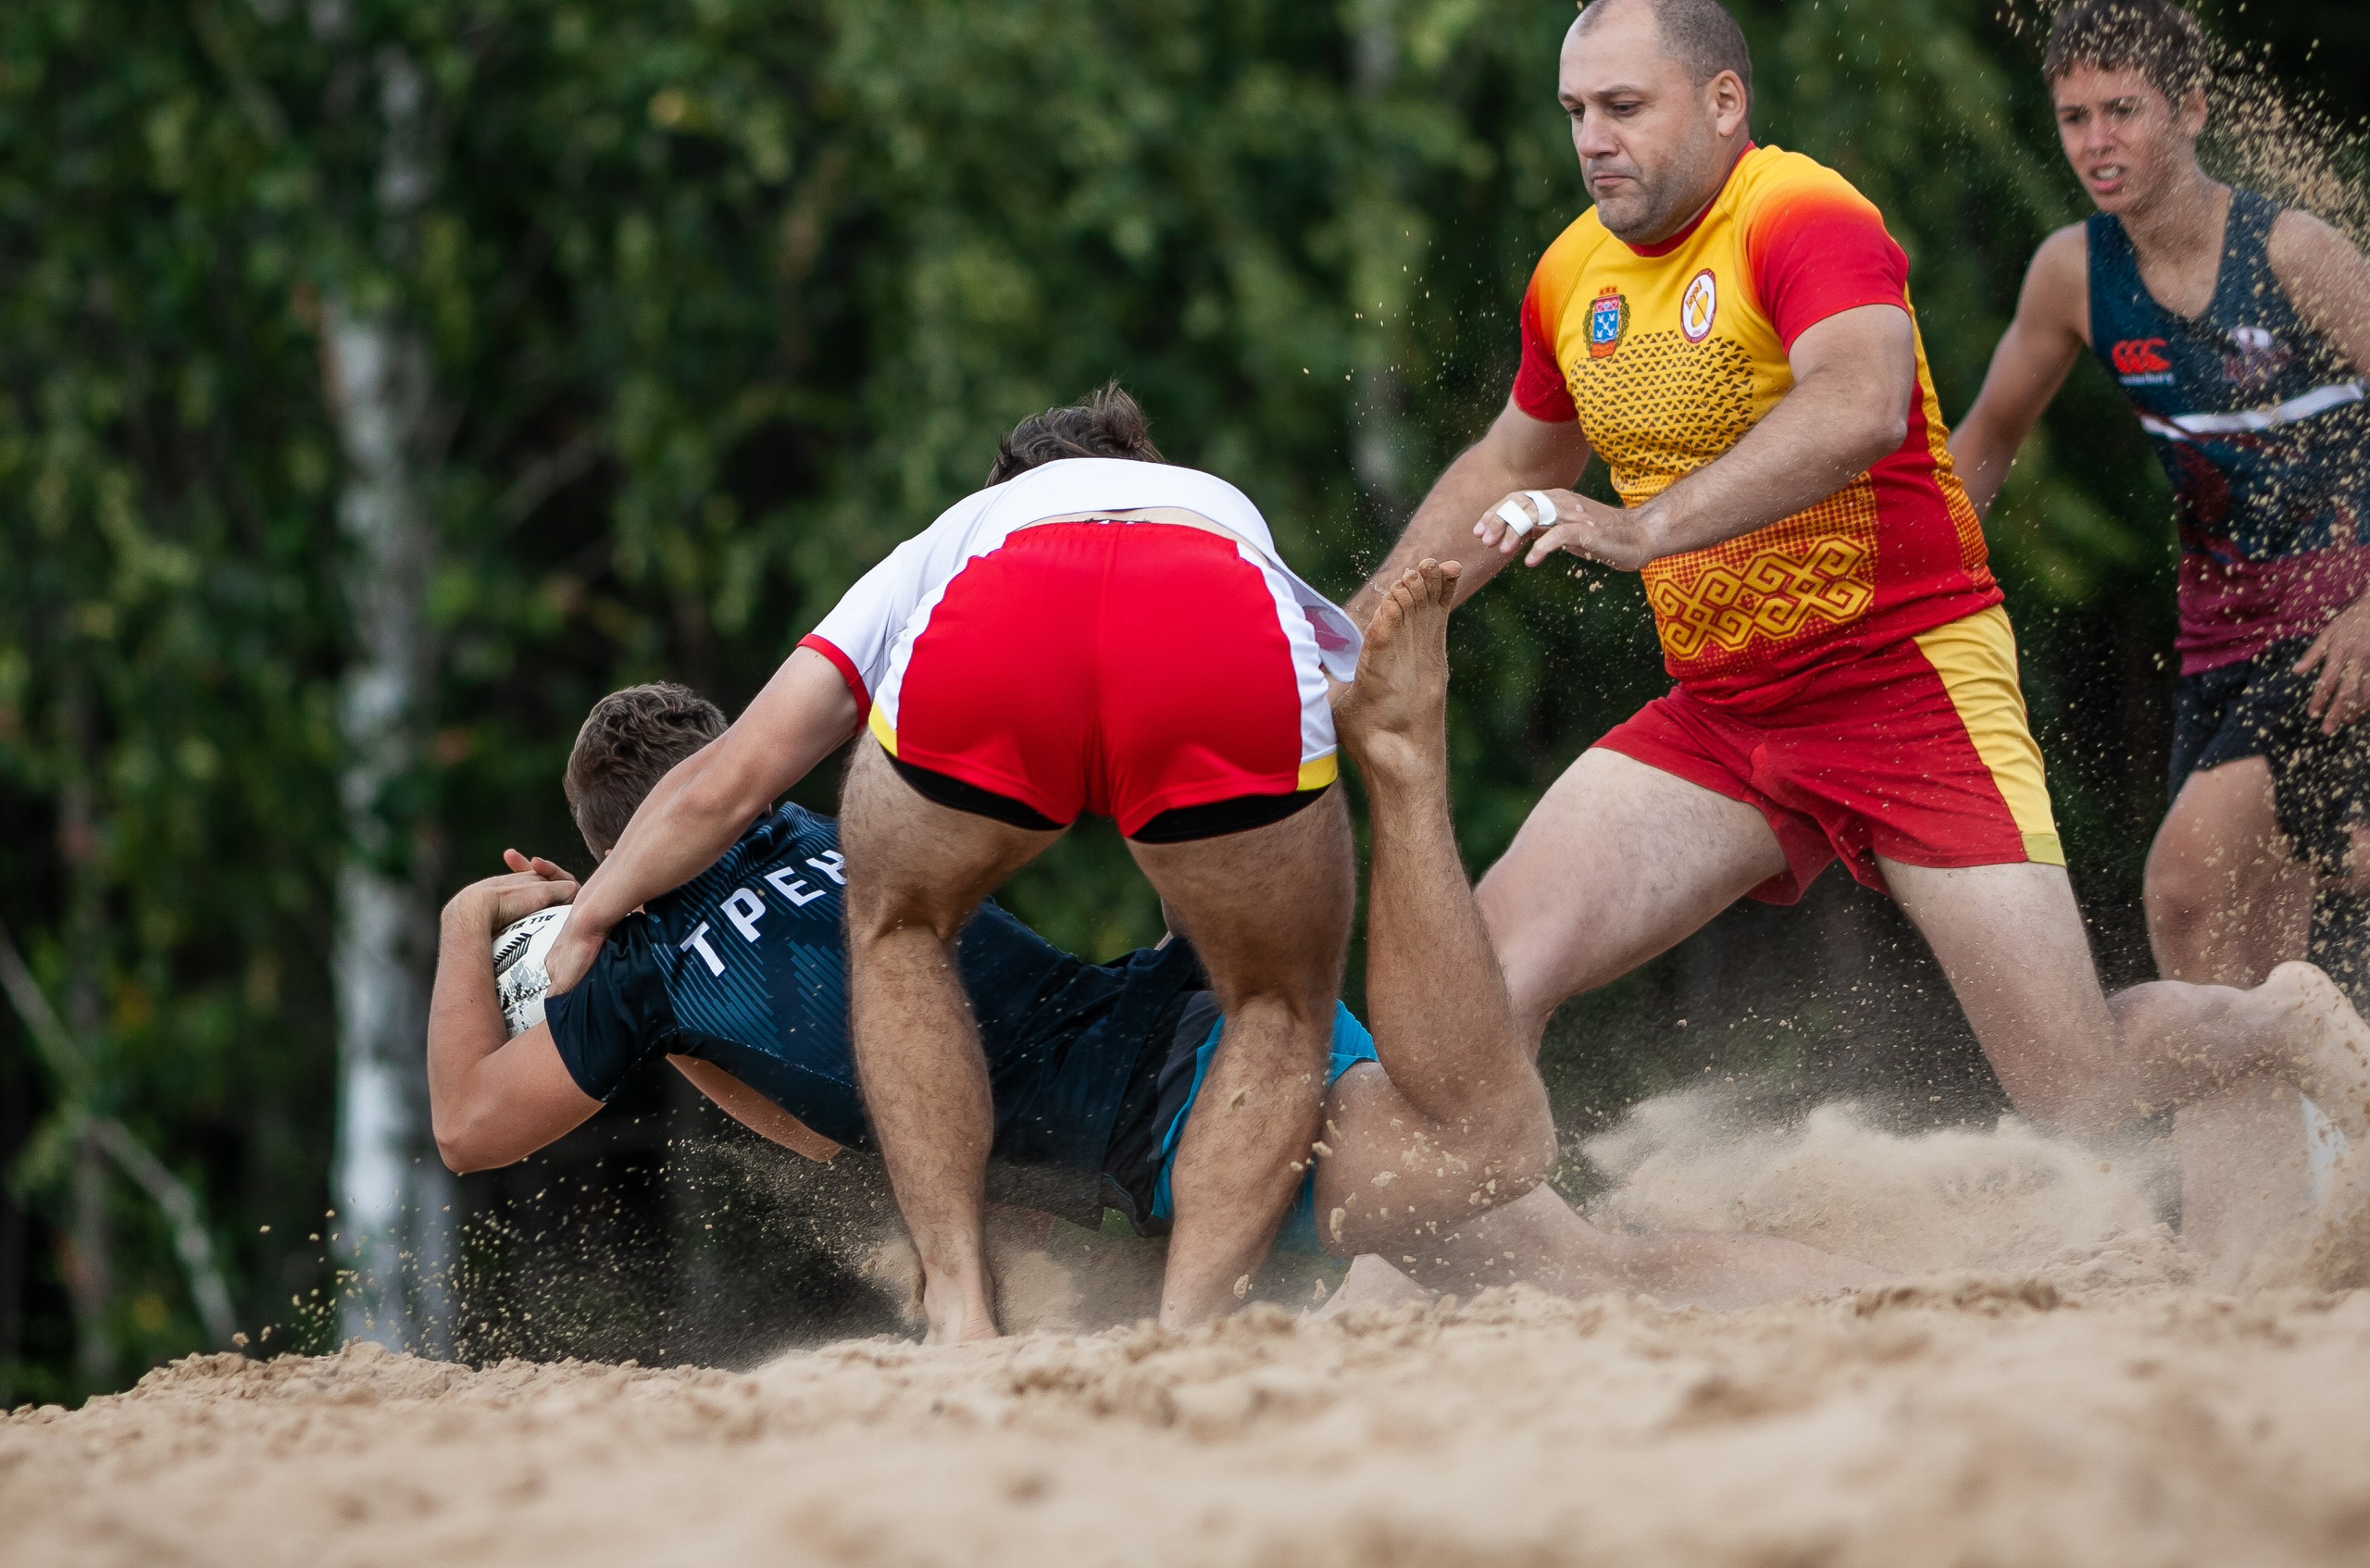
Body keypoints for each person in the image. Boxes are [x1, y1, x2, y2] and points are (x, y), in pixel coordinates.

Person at [1341, 0, 2370, 1275]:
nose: (1593, 140)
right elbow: (1511, 457)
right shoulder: (1573, 275)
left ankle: (2277, 1024)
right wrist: (1364, 622)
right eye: (1575, 114)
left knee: (2079, 1090)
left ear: (1723, 105)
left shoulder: (1801, 213)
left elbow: (1864, 402)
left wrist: (1640, 525)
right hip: (1726, 714)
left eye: (1624, 107)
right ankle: (1533, 1264)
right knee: (1480, 982)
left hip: (1906, 685)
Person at [428, 621, 1882, 1323]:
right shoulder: (820, 827)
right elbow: (825, 1103)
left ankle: (1915, 1309)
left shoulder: (648, 976)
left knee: (1504, 1200)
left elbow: (466, 1126)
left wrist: (474, 922)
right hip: (1188, 1035)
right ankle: (1896, 1299)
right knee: (1585, 1281)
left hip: (1192, 1109)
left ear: (605, 847)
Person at [540, 386, 1365, 1341]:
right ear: (1146, 467)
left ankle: (958, 1302)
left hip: (1010, 606)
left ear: (1009, 481)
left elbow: (728, 780)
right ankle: (1186, 1329)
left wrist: (592, 914)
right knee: (1275, 999)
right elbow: (1331, 703)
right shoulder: (1214, 504)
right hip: (1210, 603)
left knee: (900, 927)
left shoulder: (963, 531)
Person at [1951, 0, 2370, 1009]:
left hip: (2335, 629)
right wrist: (1880, 580)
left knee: (2183, 885)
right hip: (2214, 639)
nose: (2096, 143)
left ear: (2188, 108)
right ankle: (2282, 1169)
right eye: (2073, 117)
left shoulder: (2295, 254)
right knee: (2249, 951)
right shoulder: (2071, 274)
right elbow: (1984, 444)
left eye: (2121, 111)